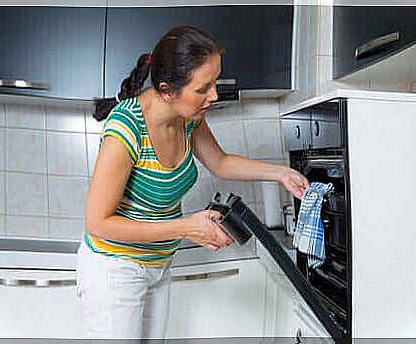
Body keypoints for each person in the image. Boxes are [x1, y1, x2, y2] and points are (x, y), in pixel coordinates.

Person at [76, 25, 309, 339]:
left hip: (157, 265)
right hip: (114, 269)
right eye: (203, 88)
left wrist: (281, 173)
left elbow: (220, 162)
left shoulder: (189, 117)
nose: (213, 95)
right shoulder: (126, 128)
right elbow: (98, 222)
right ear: (168, 90)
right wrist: (187, 227)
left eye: (214, 83)